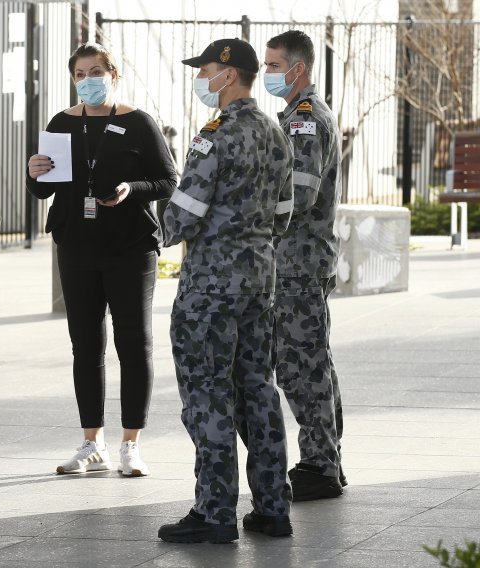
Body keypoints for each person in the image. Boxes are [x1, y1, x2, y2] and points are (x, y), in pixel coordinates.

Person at [157, 38, 294, 544]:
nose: (201, 78)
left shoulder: (214, 135)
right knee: (257, 389)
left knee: (208, 394)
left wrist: (151, 228)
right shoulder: (275, 133)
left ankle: (215, 512)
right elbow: (285, 212)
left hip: (210, 287)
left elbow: (183, 214)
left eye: (206, 69)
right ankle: (273, 508)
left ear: (229, 74)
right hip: (260, 280)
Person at [26, 42, 177, 478]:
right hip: (77, 245)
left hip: (130, 247)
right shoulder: (60, 123)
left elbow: (168, 179)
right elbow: (42, 189)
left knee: (133, 344)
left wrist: (133, 188)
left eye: (96, 72)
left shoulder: (138, 123)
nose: (88, 81)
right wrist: (34, 171)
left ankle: (131, 444)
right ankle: (93, 443)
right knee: (85, 347)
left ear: (114, 75)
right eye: (80, 74)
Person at [264, 30, 345, 501]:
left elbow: (300, 193)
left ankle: (319, 465)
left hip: (298, 260)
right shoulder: (298, 116)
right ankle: (328, 457)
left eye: (275, 65)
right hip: (303, 259)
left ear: (299, 68)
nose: (270, 73)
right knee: (315, 361)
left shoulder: (304, 121)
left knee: (300, 365)